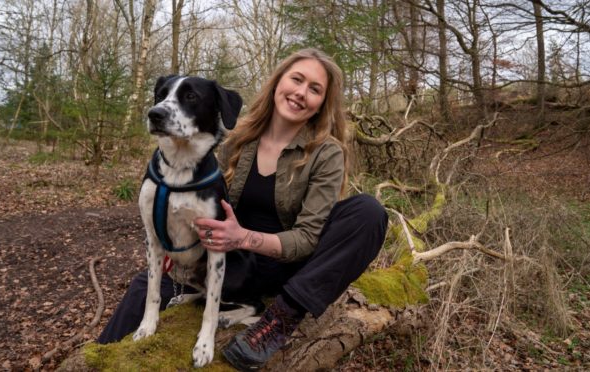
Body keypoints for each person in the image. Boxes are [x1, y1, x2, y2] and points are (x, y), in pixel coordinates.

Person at [97, 48, 388, 370]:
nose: (301, 93)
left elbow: (307, 237)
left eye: (315, 89)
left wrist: (244, 238)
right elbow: (194, 200)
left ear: (323, 102)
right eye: (297, 79)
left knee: (368, 211)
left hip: (285, 268)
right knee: (137, 294)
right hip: (219, 263)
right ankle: (95, 359)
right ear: (278, 82)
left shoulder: (326, 153)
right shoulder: (233, 139)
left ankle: (280, 318)